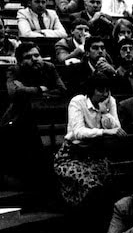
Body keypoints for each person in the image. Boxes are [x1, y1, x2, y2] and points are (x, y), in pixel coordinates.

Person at [0, 41, 65, 188]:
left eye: (37, 55)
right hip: (17, 116)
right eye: (28, 57)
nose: (34, 59)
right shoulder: (14, 70)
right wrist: (41, 89)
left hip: (45, 114)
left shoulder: (49, 67)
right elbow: (14, 93)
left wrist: (28, 91)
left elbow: (61, 90)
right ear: (20, 61)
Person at [53, 75, 125, 211]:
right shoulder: (78, 102)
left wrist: (105, 113)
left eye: (107, 90)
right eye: (100, 90)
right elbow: (78, 132)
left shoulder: (110, 101)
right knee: (90, 183)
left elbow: (116, 128)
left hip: (96, 155)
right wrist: (102, 132)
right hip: (72, 154)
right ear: (91, 90)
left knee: (112, 184)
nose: (104, 94)